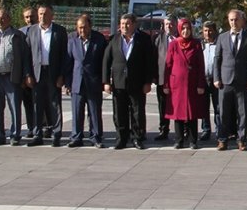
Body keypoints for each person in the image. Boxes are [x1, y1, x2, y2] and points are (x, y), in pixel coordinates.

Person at [103, 13, 157, 150]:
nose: (124, 27)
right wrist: (106, 81)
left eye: (127, 24)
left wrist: (147, 82)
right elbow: (106, 61)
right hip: (119, 82)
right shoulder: (114, 39)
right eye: (122, 24)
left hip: (137, 82)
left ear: (134, 24)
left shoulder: (143, 39)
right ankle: (121, 138)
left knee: (137, 111)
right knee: (119, 112)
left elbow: (149, 62)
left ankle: (137, 138)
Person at [0, 8, 30, 146]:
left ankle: (15, 135)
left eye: (3, 18)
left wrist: (25, 76)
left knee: (15, 107)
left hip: (12, 77)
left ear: (9, 19)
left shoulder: (18, 36)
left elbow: (25, 57)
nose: (0, 21)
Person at [214, 9, 247, 151]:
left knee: (243, 112)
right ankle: (222, 139)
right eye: (231, 20)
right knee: (223, 112)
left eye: (236, 19)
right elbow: (217, 59)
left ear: (242, 20)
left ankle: (241, 140)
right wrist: (216, 78)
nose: (234, 22)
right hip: (225, 81)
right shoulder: (222, 37)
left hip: (243, 81)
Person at [26, 4, 68, 147]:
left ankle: (56, 134)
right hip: (37, 73)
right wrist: (28, 74)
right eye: (40, 14)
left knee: (54, 104)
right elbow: (27, 55)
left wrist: (62, 75)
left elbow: (64, 56)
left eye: (45, 14)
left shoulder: (60, 31)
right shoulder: (31, 31)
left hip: (53, 73)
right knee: (37, 104)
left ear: (52, 16)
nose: (42, 16)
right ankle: (37, 133)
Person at [64, 14, 107, 148]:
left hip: (93, 81)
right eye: (79, 28)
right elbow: (68, 62)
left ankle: (96, 137)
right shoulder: (72, 39)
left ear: (90, 27)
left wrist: (104, 81)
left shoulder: (99, 39)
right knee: (77, 111)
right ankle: (76, 136)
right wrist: (68, 82)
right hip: (77, 81)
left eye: (84, 27)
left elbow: (103, 62)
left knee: (94, 111)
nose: (82, 31)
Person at [163, 17, 205, 149]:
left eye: (188, 28)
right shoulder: (174, 44)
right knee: (178, 113)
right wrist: (166, 84)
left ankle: (193, 140)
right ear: (179, 29)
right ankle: (179, 140)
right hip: (177, 84)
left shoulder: (196, 43)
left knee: (192, 112)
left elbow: (200, 65)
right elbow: (168, 65)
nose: (186, 31)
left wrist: (200, 84)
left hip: (192, 83)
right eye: (183, 28)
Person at [153, 16, 177, 141]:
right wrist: (154, 77)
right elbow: (154, 58)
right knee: (162, 106)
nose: (169, 26)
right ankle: (163, 130)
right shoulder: (158, 38)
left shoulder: (181, 38)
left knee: (179, 105)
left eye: (171, 24)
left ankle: (182, 130)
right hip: (162, 78)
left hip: (178, 79)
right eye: (167, 24)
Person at [19, 6, 38, 137]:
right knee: (28, 104)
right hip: (25, 74)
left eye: (31, 16)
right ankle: (32, 128)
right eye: (26, 17)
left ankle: (46, 128)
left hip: (40, 73)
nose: (29, 19)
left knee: (43, 103)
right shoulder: (20, 33)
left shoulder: (41, 31)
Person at [200, 21, 220, 140]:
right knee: (204, 107)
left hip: (216, 79)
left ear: (215, 31)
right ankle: (206, 129)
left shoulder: (219, 44)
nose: (208, 33)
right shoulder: (200, 44)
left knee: (218, 107)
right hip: (203, 80)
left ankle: (219, 129)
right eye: (205, 31)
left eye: (210, 30)